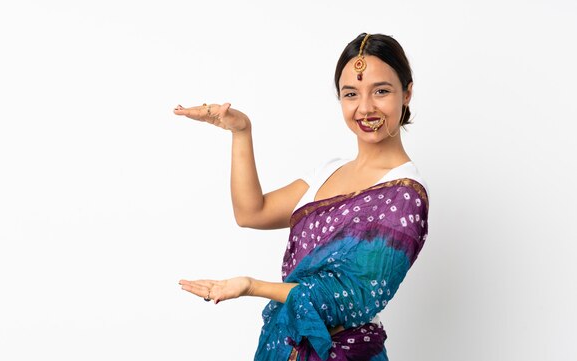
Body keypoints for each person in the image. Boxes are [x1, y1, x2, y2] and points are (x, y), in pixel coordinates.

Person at [175, 33, 429, 361]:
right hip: (285, 348)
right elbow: (252, 212)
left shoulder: (405, 195)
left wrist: (251, 286)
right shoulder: (329, 171)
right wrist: (241, 132)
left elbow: (346, 299)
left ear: (407, 92)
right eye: (351, 94)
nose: (365, 108)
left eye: (381, 91)